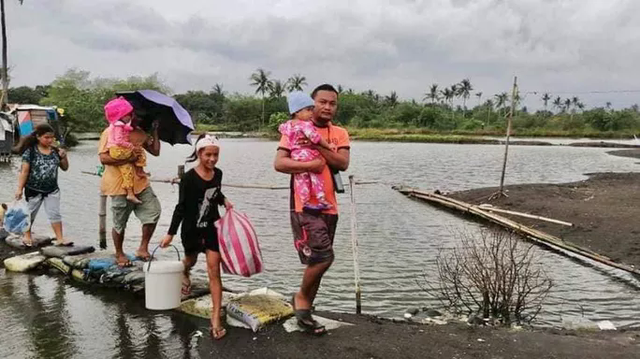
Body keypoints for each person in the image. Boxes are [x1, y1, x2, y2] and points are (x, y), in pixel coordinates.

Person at [274, 84, 350, 335]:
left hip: (329, 206)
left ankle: (305, 314)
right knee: (323, 256)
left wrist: (316, 144)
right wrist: (311, 163)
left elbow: (342, 162)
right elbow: (280, 163)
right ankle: (302, 300)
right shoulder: (294, 130)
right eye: (322, 102)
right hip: (304, 205)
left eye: (333, 103)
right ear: (310, 103)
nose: (327, 107)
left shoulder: (339, 133)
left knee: (317, 259)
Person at [160, 134, 233, 340]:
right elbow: (180, 207)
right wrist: (170, 234)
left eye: (215, 155)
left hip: (211, 228)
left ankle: (215, 319)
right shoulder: (189, 178)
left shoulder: (218, 173)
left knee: (214, 271)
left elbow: (215, 193)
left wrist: (224, 200)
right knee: (190, 261)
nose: (212, 159)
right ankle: (184, 271)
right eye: (208, 154)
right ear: (199, 153)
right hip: (191, 229)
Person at [98, 99, 161, 267]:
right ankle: (119, 253)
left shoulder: (140, 133)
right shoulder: (110, 132)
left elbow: (155, 151)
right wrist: (129, 157)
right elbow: (103, 158)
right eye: (136, 116)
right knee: (120, 221)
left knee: (153, 212)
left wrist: (155, 131)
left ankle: (143, 248)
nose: (138, 120)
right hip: (119, 185)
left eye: (141, 118)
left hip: (140, 183)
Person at [13, 124, 71, 247]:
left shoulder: (55, 152)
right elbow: (24, 171)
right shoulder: (31, 152)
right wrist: (19, 189)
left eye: (52, 138)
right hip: (33, 189)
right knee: (30, 213)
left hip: (52, 189)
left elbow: (65, 168)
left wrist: (64, 157)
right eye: (46, 137)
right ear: (38, 137)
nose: (50, 140)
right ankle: (27, 235)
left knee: (54, 213)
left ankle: (60, 238)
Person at [279, 91, 336, 210]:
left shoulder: (288, 125)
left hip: (297, 158)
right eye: (308, 110)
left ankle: (305, 202)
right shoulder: (305, 125)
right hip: (309, 156)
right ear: (297, 112)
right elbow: (316, 138)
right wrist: (328, 146)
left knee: (301, 180)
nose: (312, 113)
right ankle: (321, 199)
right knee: (316, 178)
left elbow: (283, 131)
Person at [104, 97, 147, 204]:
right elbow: (119, 141)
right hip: (118, 150)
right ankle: (130, 192)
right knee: (137, 153)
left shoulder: (120, 126)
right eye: (129, 115)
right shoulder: (117, 127)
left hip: (118, 150)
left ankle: (139, 170)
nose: (131, 117)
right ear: (121, 116)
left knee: (131, 162)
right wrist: (131, 147)